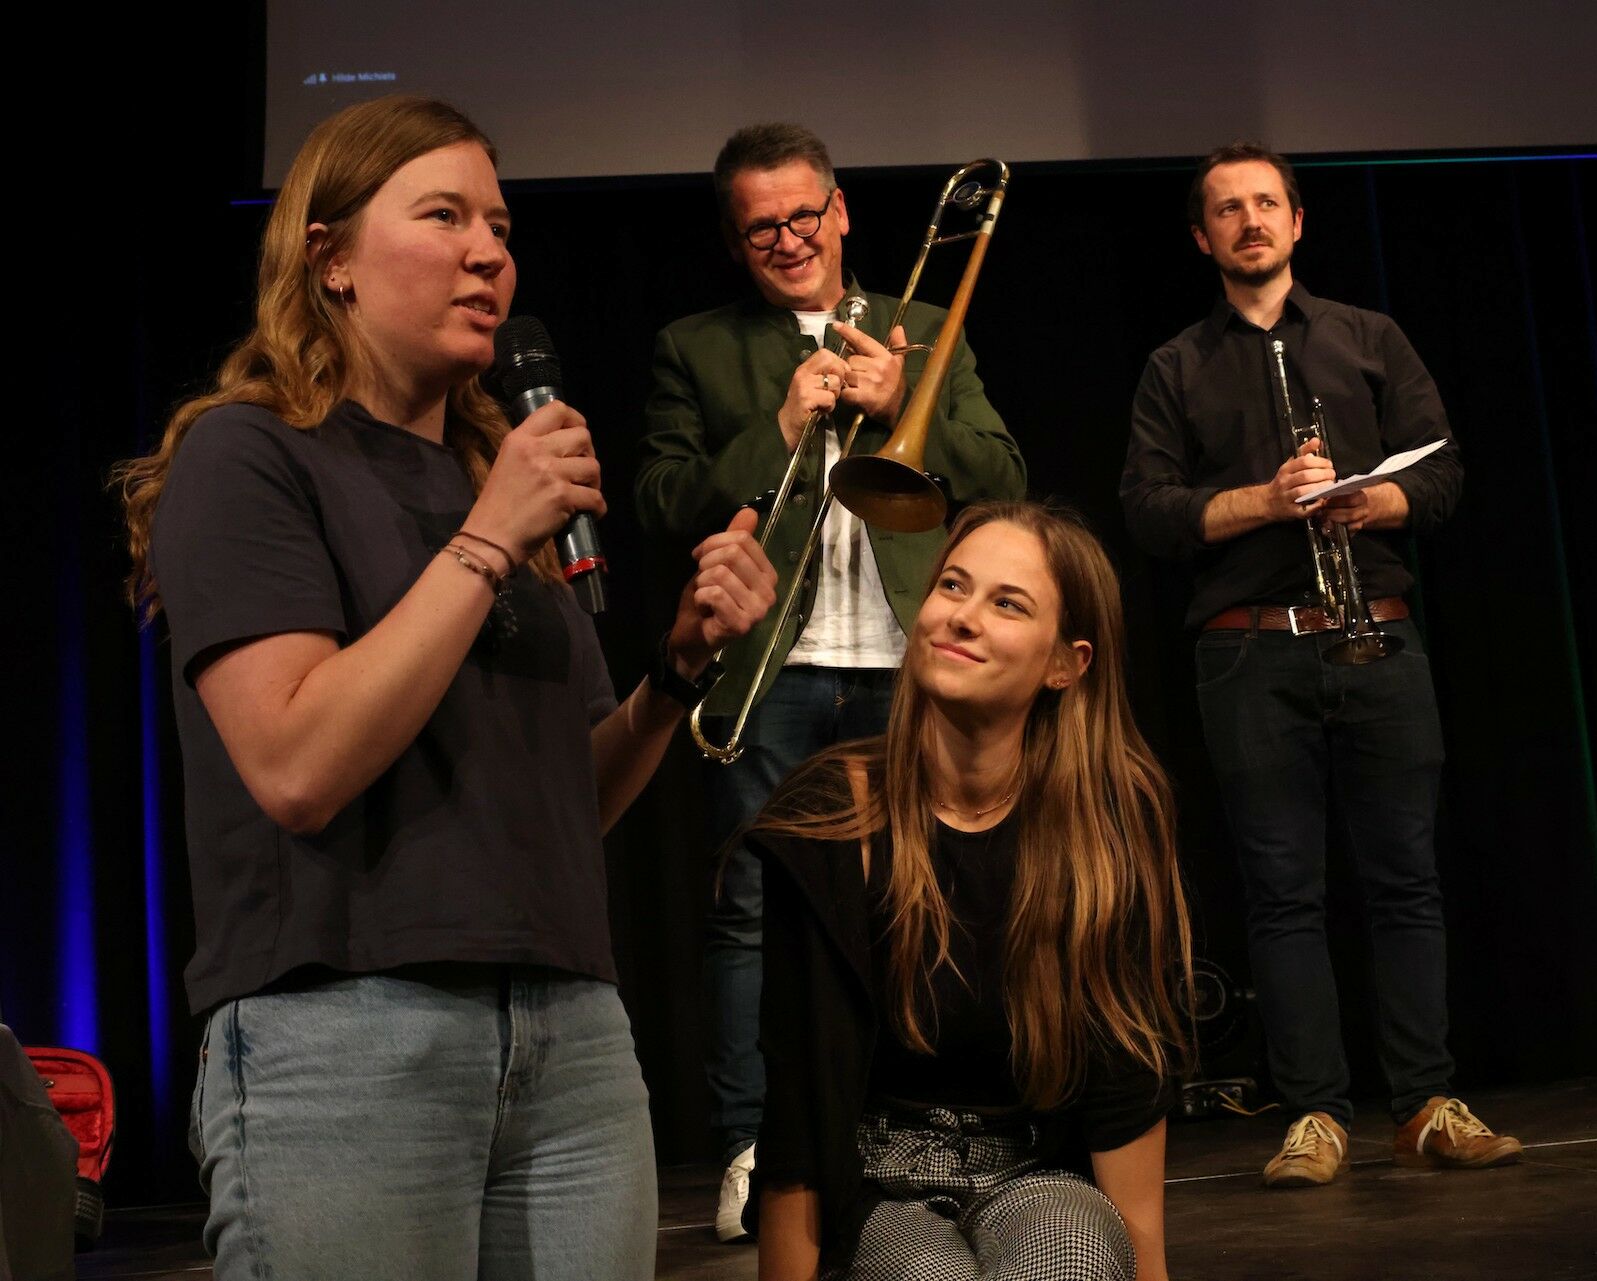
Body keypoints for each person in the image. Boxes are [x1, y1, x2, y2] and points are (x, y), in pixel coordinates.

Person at [115, 96, 776, 1281]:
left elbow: (571, 796)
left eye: (501, 228)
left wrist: (675, 674)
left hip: (570, 1033)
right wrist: (485, 542)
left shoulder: (497, 481)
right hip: (348, 1026)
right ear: (330, 258)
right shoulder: (250, 456)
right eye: (445, 217)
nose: (489, 254)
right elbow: (296, 765)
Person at [633, 122, 1025, 1239]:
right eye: (761, 228)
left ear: (841, 210)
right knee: (751, 917)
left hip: (909, 664)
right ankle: (753, 1152)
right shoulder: (694, 347)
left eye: (804, 216)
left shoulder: (927, 326)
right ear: (735, 239)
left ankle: (910, 1134)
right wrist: (778, 427)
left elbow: (1002, 474)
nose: (789, 240)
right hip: (774, 669)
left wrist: (903, 406)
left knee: (926, 906)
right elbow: (661, 498)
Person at [1119, 142, 1519, 1188]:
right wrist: (1267, 500)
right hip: (1249, 649)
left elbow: (1443, 475)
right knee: (1282, 891)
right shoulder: (1175, 365)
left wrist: (1370, 499)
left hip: (1377, 631)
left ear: (1297, 221)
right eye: (1227, 209)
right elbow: (1148, 512)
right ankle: (1314, 1113)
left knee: (1405, 880)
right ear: (1202, 237)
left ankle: (1426, 1101)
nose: (1250, 220)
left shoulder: (1369, 337)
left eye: (1267, 203)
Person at [745, 501, 1192, 1281]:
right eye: (952, 585)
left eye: (1007, 603)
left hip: (1035, 1171)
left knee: (1074, 1255)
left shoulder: (1108, 822)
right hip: (876, 1182)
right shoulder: (830, 818)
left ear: (1065, 664)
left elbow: (1126, 1083)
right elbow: (799, 1107)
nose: (962, 616)